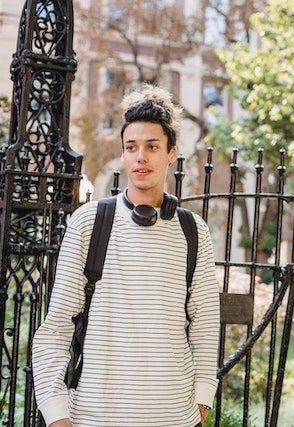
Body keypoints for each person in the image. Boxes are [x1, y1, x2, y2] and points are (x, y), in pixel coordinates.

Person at [32, 85, 220, 427]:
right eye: (131, 147)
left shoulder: (194, 232)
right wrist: (56, 413)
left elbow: (206, 326)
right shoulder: (89, 222)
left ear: (171, 153)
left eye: (152, 147)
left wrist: (202, 400)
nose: (141, 157)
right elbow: (55, 328)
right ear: (123, 155)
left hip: (175, 418)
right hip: (93, 417)